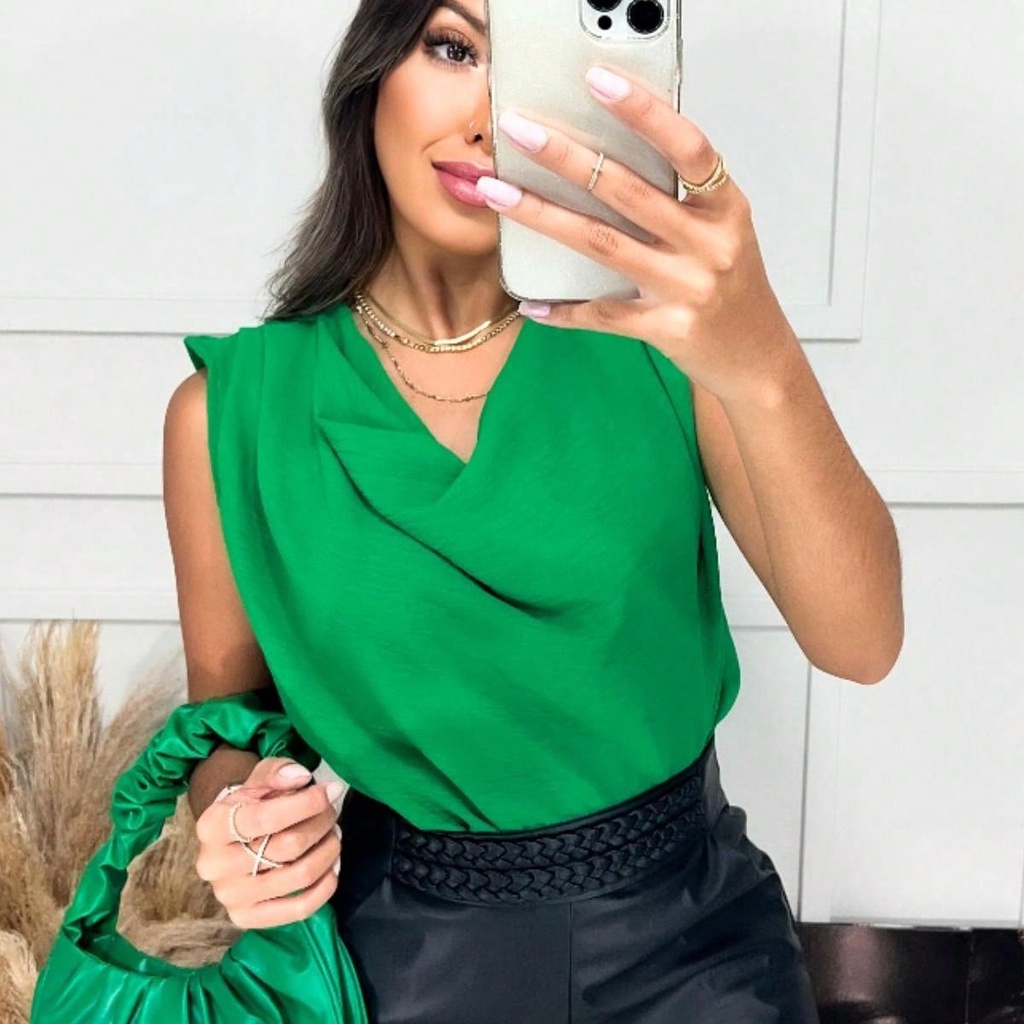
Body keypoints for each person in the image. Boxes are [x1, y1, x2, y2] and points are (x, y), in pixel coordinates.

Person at [162, 0, 905, 1020]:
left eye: (533, 70)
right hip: (397, 965)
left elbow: (862, 644)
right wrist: (243, 824)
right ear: (372, 72)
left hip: (697, 954)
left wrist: (764, 355)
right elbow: (227, 722)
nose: (489, 117)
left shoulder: (666, 346)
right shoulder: (230, 413)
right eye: (454, 48)